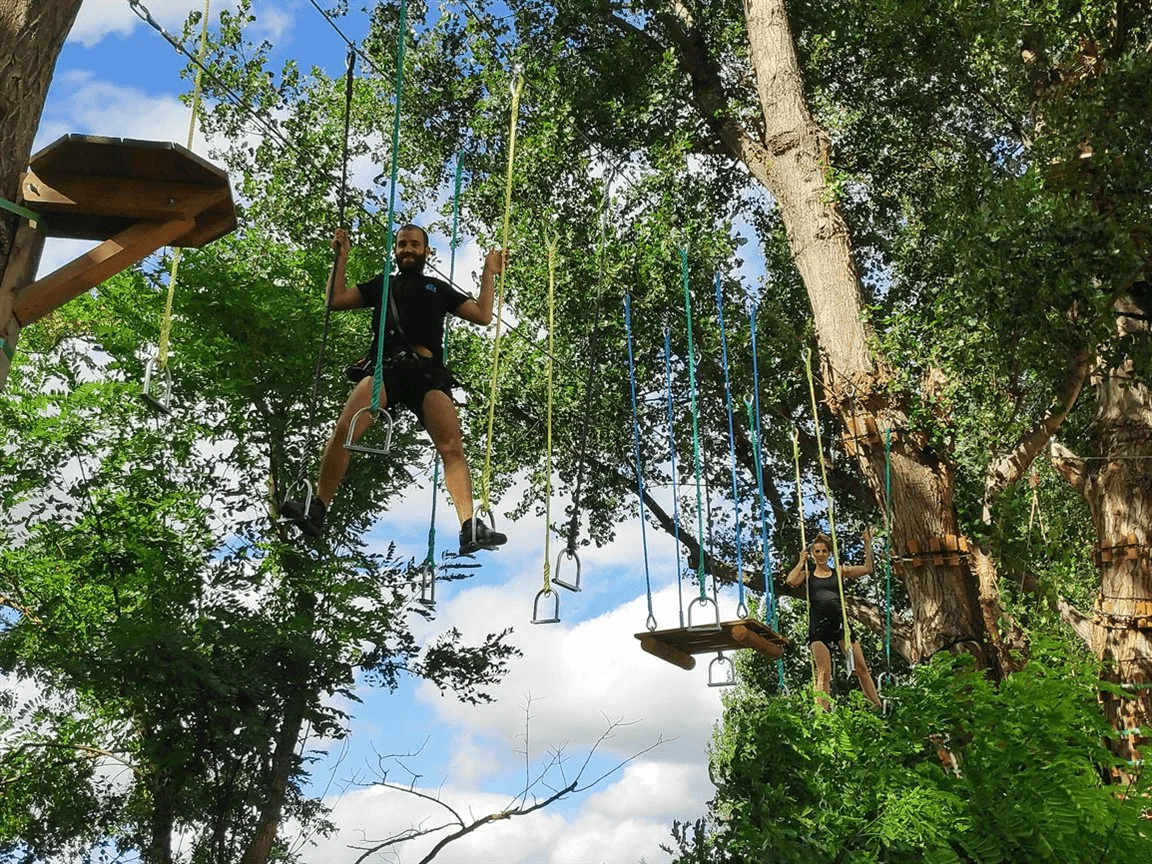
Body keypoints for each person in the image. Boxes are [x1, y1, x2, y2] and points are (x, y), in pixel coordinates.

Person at [280, 224, 509, 555]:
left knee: (452, 446)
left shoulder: (438, 288)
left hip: (427, 374)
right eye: (402, 244)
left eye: (415, 244)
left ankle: (469, 527)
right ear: (395, 250)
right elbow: (335, 299)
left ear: (427, 252)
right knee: (345, 427)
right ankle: (317, 506)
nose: (408, 249)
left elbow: (482, 315)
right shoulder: (382, 285)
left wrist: (489, 272)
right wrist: (341, 257)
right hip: (385, 369)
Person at [786, 529, 881, 709]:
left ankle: (877, 705)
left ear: (829, 553)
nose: (821, 554)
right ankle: (823, 714)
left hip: (840, 625)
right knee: (823, 672)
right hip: (819, 627)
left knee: (861, 667)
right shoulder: (808, 575)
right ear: (813, 554)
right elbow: (791, 581)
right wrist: (801, 561)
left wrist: (867, 543)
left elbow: (868, 568)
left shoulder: (839, 571)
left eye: (824, 551)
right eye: (817, 551)